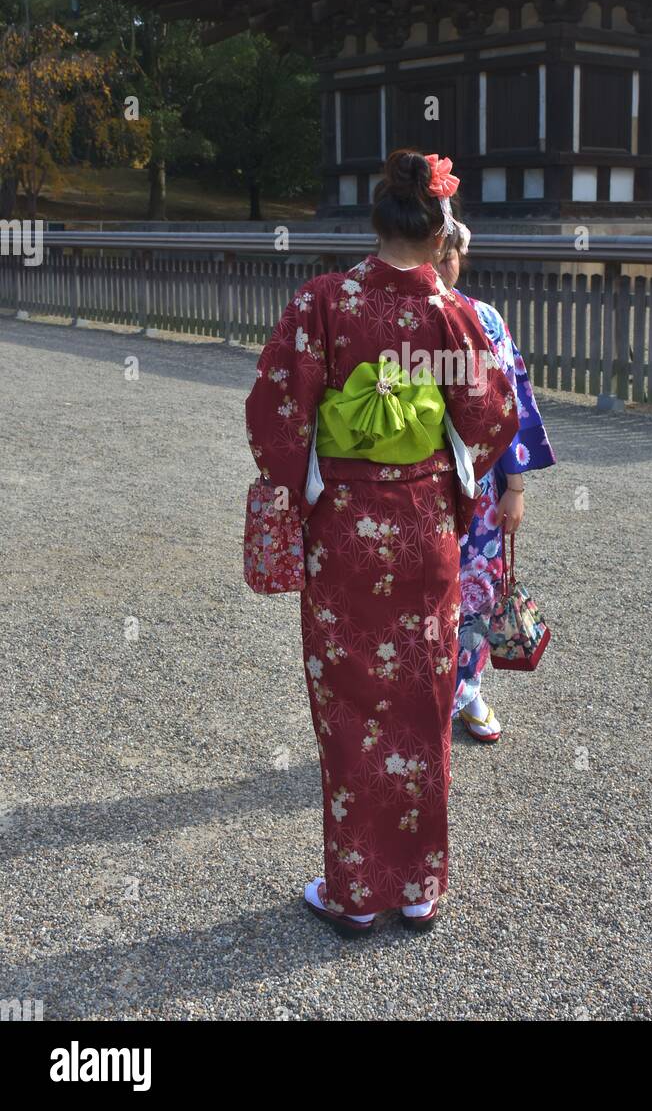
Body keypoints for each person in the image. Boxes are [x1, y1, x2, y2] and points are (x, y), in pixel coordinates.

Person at [245, 149, 518, 935]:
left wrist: (311, 475)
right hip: (427, 526)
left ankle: (354, 891)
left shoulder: (324, 303)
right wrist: (441, 470)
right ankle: (420, 886)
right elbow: (492, 420)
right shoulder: (452, 315)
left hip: (344, 534)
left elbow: (275, 414)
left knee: (351, 701)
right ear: (441, 239)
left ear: (375, 226)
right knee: (426, 702)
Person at [437, 224, 556, 744]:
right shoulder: (385, 318)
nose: (443, 264)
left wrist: (515, 484)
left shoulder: (483, 319)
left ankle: (467, 688)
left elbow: (506, 410)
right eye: (434, 251)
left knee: (476, 593)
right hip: (406, 490)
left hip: (479, 489)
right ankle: (416, 704)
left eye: (451, 254)